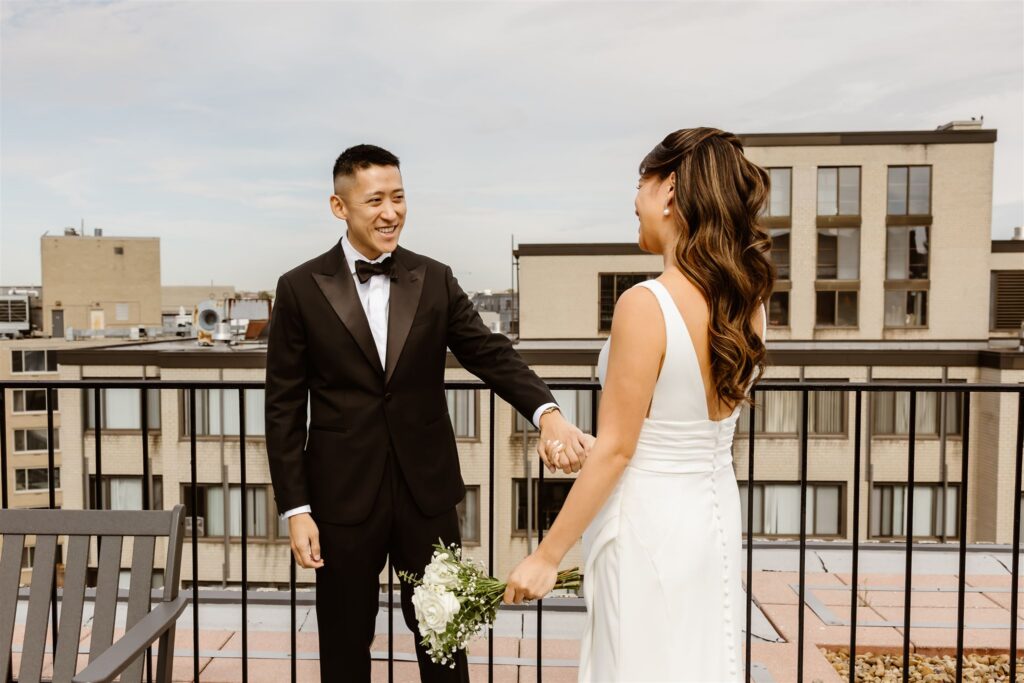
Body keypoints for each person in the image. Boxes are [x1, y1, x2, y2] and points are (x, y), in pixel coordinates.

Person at [264, 144, 589, 682]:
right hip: (340, 498)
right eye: (375, 200)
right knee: (343, 645)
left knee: (443, 638)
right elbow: (282, 406)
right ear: (339, 206)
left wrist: (547, 411)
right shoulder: (298, 288)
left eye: (399, 197)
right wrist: (296, 508)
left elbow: (488, 352)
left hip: (427, 494)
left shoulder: (434, 278)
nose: (391, 212)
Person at [503, 128, 775, 682]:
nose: (634, 200)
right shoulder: (750, 303)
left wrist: (547, 556)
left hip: (649, 524)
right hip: (713, 519)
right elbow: (673, 426)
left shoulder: (644, 303)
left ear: (669, 190)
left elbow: (623, 449)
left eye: (640, 183)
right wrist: (596, 446)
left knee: (636, 662)